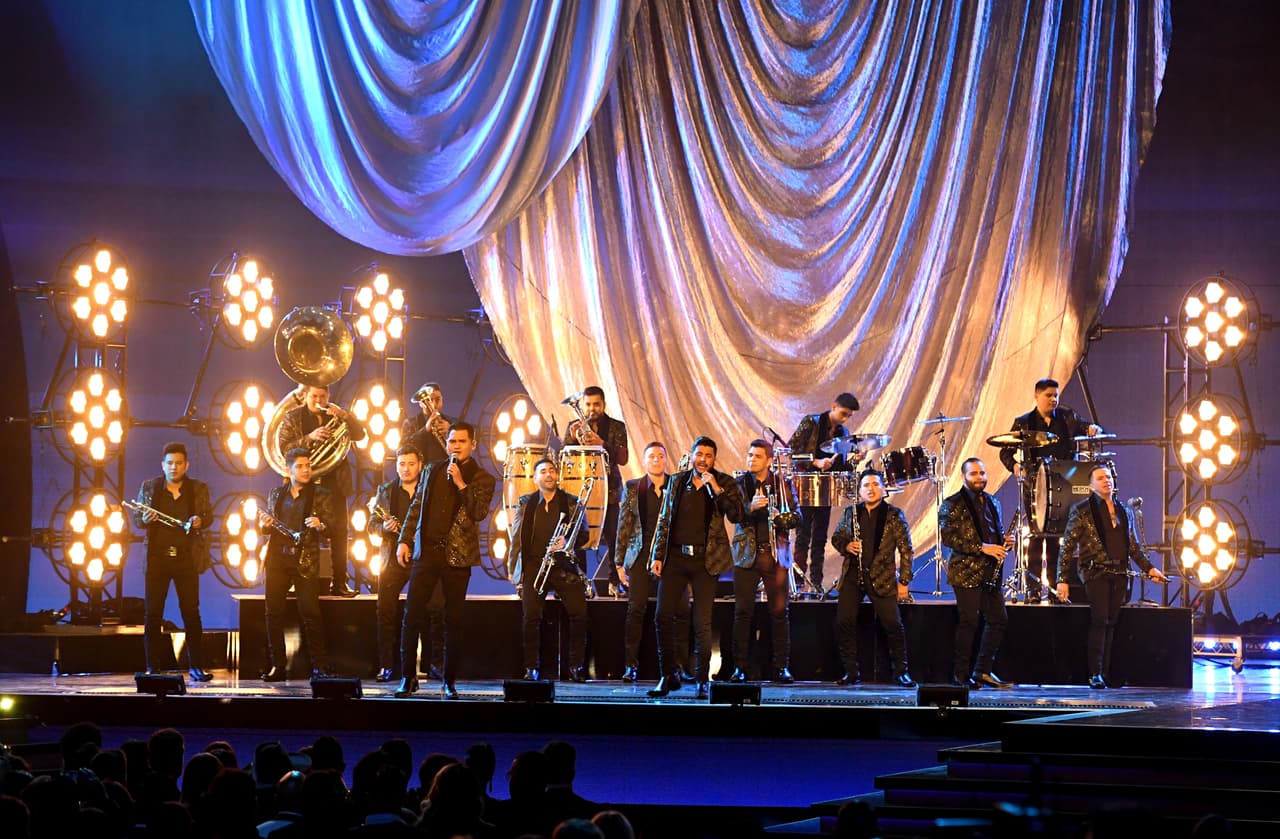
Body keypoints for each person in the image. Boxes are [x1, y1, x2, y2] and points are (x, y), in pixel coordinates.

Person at [394, 423, 497, 699]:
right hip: (427, 553)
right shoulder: (431, 469)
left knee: (453, 619)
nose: (456, 446)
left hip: (457, 557)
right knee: (412, 614)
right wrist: (404, 539)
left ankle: (449, 680)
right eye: (452, 441)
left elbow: (478, 512)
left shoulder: (483, 478)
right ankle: (407, 676)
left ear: (473, 444)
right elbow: (416, 506)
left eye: (462, 441)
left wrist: (462, 484)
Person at [647, 437, 744, 699]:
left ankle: (702, 679)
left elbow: (736, 515)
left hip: (706, 561)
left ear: (714, 459)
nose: (703, 460)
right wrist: (657, 555)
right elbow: (664, 519)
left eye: (708, 455)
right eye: (699, 454)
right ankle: (668, 675)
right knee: (662, 616)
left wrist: (716, 489)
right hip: (676, 558)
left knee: (702, 622)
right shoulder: (677, 481)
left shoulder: (723, 482)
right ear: (691, 456)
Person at [1056, 465, 1168, 688]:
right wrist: (1062, 579)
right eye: (1100, 478)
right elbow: (1067, 546)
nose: (1106, 480)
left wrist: (1149, 568)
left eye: (1108, 477)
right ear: (1091, 485)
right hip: (1095, 571)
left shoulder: (1123, 510)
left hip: (1120, 573)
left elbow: (1133, 546)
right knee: (1100, 620)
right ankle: (1094, 673)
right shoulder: (1082, 510)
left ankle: (1105, 672)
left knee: (1111, 622)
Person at [998, 378, 1102, 601]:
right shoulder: (1024, 422)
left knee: (1057, 538)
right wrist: (1015, 466)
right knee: (1036, 537)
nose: (1054, 399)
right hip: (1035, 487)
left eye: (1056, 395)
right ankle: (1034, 589)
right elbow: (1004, 451)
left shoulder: (1067, 417)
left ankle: (1056, 589)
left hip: (1063, 485)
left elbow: (1087, 427)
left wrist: (1092, 429)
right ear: (1037, 396)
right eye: (1048, 395)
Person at [131, 442, 214, 681]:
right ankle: (152, 667)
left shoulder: (198, 488)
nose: (173, 467)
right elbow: (137, 520)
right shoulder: (150, 487)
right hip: (157, 559)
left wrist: (200, 521)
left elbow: (208, 516)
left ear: (186, 465)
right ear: (163, 465)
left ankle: (196, 666)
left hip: (186, 558)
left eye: (178, 463)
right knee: (152, 614)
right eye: (169, 463)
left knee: (191, 613)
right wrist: (145, 519)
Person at [277, 384, 367, 597]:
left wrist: (345, 415)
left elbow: (360, 434)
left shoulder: (336, 414)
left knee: (340, 532)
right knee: (299, 531)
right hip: (304, 482)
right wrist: (310, 437)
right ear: (305, 396)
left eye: (323, 396)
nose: (319, 401)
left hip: (335, 481)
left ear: (329, 396)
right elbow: (284, 448)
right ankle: (294, 581)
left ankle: (340, 582)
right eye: (314, 396)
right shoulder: (292, 417)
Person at [258, 448, 338, 680]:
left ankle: (320, 666)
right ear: (288, 470)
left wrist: (320, 524)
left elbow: (332, 528)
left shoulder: (321, 494)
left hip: (305, 559)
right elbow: (267, 529)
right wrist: (264, 525)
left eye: (308, 466)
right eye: (300, 466)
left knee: (310, 612)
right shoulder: (276, 493)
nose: (306, 470)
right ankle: (278, 665)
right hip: (277, 558)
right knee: (273, 613)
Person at [509, 458, 591, 682]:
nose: (548, 474)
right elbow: (517, 537)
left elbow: (585, 535)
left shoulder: (572, 501)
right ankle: (531, 667)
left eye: (552, 471)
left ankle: (576, 666)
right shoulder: (526, 503)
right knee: (530, 617)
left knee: (579, 614)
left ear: (557, 476)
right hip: (535, 565)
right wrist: (513, 568)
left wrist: (568, 540)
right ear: (535, 478)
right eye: (543, 471)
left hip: (564, 566)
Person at [830, 470, 915, 687]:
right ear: (860, 491)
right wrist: (846, 546)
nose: (871, 489)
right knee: (844, 621)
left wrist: (904, 581)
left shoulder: (894, 515)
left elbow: (906, 549)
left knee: (893, 624)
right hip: (853, 575)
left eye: (876, 484)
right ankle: (851, 671)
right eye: (866, 485)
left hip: (882, 577)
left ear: (884, 489)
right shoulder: (851, 512)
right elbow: (837, 537)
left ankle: (902, 671)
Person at [614, 442, 690, 682]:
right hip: (640, 555)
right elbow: (624, 525)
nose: (656, 460)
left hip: (671, 558)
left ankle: (680, 666)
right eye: (652, 456)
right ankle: (630, 665)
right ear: (645, 461)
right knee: (635, 609)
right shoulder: (633, 487)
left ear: (666, 460)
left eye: (660, 456)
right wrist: (619, 562)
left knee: (681, 610)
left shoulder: (677, 486)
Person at [369, 445, 442, 683]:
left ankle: (433, 664)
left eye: (411, 464)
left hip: (422, 556)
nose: (406, 469)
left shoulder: (429, 488)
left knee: (432, 610)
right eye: (401, 464)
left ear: (420, 465)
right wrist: (384, 527)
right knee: (385, 611)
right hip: (392, 557)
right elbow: (371, 525)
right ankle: (387, 666)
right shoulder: (386, 490)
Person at [939, 457, 1014, 689]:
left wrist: (1003, 541)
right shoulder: (951, 504)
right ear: (964, 477)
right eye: (974, 474)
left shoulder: (993, 501)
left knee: (998, 619)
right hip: (965, 571)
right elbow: (948, 538)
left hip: (991, 571)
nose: (979, 477)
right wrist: (982, 547)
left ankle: (982, 671)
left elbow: (992, 532)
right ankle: (960, 675)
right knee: (969, 622)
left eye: (982, 473)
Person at [728, 440, 797, 683]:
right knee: (743, 612)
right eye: (749, 455)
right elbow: (732, 515)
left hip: (774, 555)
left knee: (779, 612)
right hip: (747, 554)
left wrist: (781, 518)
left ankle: (781, 666)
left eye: (757, 456)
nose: (751, 459)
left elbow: (797, 516)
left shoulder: (781, 483)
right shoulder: (739, 484)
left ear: (768, 461)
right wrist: (750, 507)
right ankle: (740, 667)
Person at [787, 392, 860, 595]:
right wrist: (815, 462)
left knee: (820, 538)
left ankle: (816, 582)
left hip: (827, 487)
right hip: (805, 484)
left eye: (849, 416)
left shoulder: (843, 432)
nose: (845, 419)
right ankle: (798, 583)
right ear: (833, 406)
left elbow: (841, 467)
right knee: (802, 536)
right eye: (843, 413)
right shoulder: (811, 422)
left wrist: (855, 460)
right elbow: (791, 451)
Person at [565, 386, 629, 593]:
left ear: (603, 405)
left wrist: (603, 444)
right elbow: (566, 457)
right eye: (588, 405)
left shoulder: (617, 427)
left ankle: (614, 582)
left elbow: (623, 459)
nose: (592, 409)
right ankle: (582, 582)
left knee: (613, 536)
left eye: (596, 405)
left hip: (609, 490)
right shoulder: (573, 426)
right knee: (578, 538)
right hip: (580, 489)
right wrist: (572, 440)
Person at [402, 382, 452, 465]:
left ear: (442, 400)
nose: (434, 404)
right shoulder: (410, 423)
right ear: (420, 403)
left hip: (444, 469)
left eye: (438, 399)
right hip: (421, 470)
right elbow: (404, 448)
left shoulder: (451, 422)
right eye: (429, 400)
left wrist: (450, 432)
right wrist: (425, 429)